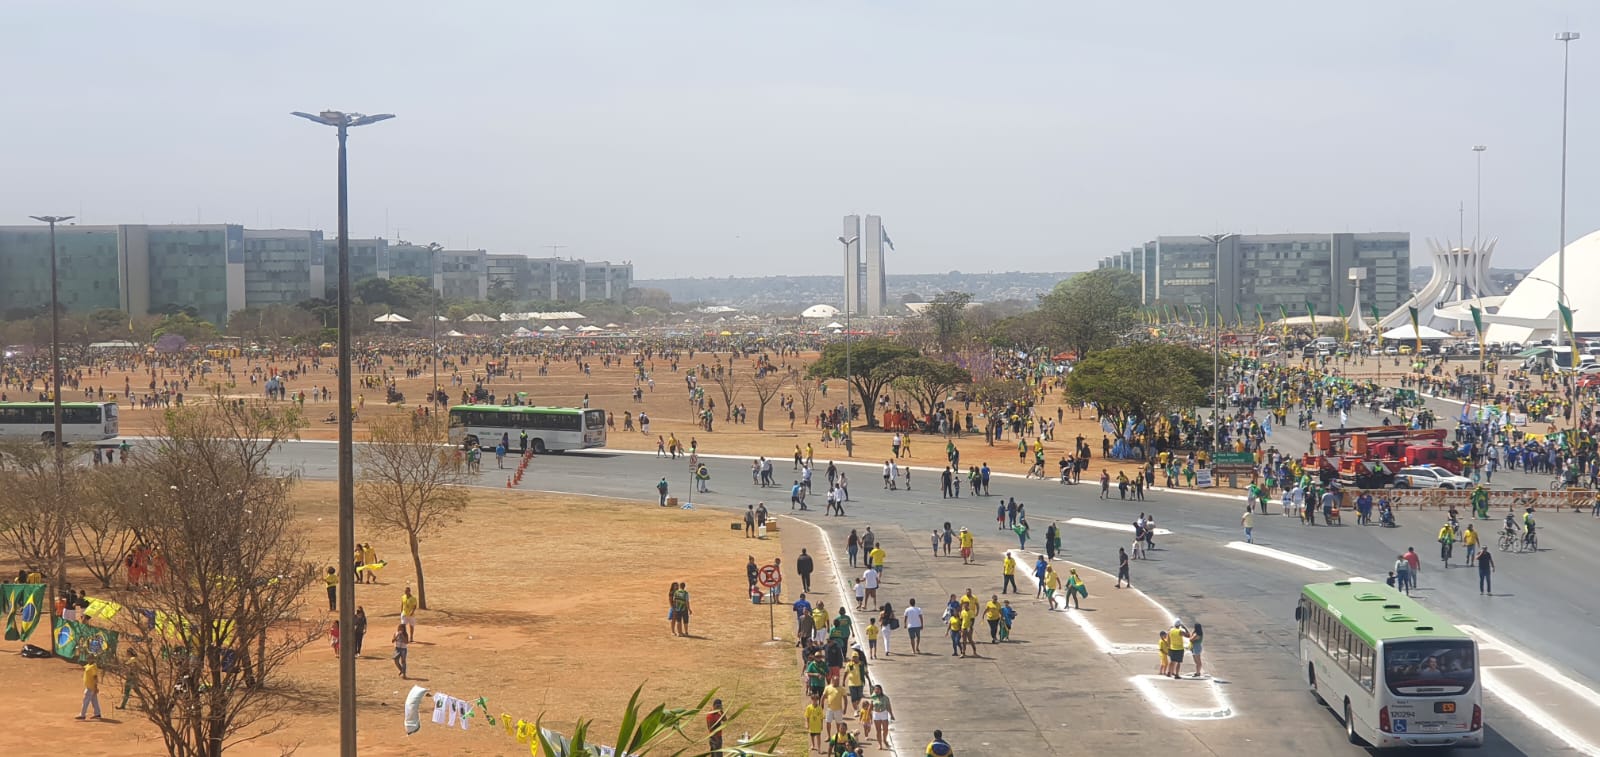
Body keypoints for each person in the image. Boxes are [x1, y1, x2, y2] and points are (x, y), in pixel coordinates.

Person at [869, 685, 894, 750]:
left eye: (878, 689)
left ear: (881, 690)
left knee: (885, 729)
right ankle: (880, 744)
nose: (877, 690)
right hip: (876, 714)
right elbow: (871, 706)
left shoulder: (885, 698)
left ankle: (884, 740)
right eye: (875, 689)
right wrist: (868, 715)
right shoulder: (873, 697)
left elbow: (888, 706)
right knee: (878, 730)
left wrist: (891, 715)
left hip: (884, 713)